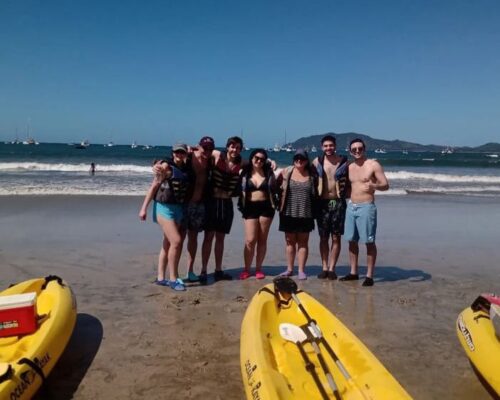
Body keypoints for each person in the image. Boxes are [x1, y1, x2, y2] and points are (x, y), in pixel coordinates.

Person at [139, 143, 194, 291]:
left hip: (179, 209)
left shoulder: (187, 168)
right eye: (176, 152)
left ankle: (161, 277)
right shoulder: (165, 167)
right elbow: (153, 188)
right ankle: (173, 279)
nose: (179, 155)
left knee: (167, 243)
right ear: (172, 153)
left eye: (182, 152)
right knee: (176, 241)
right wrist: (143, 209)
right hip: (163, 208)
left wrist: (192, 148)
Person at [339, 138, 389, 287]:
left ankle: (369, 276)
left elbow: (385, 185)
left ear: (364, 149)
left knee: (369, 241)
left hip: (366, 207)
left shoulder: (373, 165)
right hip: (351, 207)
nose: (357, 151)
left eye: (360, 148)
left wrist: (374, 185)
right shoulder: (349, 167)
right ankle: (354, 272)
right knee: (351, 241)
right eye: (354, 149)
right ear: (350, 151)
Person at [200, 136, 244, 284]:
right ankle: (204, 270)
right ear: (227, 147)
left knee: (221, 238)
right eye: (232, 146)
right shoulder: (217, 156)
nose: (234, 150)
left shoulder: (241, 162)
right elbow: (198, 150)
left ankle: (218, 270)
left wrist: (271, 162)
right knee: (208, 237)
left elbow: (258, 162)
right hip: (212, 202)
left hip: (226, 203)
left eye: (238, 147)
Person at [277, 149, 318, 280]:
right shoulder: (287, 172)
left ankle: (301, 270)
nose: (299, 160)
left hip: (306, 213)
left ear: (306, 161)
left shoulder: (312, 175)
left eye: (302, 158)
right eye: (296, 158)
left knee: (303, 243)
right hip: (288, 212)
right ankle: (289, 269)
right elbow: (274, 185)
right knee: (290, 242)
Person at [312, 135, 349, 280]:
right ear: (322, 147)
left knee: (336, 237)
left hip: (337, 202)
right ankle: (324, 267)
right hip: (322, 203)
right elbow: (300, 168)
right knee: (323, 237)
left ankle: (332, 268)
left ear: (335, 146)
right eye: (326, 146)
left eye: (331, 145)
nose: (328, 148)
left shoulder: (343, 162)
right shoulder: (317, 161)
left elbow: (355, 175)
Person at [238, 149, 278, 280]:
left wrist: (272, 161)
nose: (259, 161)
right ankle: (246, 269)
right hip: (249, 207)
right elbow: (228, 158)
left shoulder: (269, 172)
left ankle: (258, 269)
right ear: (251, 158)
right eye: (256, 158)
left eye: (262, 159)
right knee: (250, 240)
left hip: (266, 207)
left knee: (262, 240)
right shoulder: (244, 171)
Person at [182, 136, 215, 282]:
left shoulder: (211, 161)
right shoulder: (189, 157)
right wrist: (160, 164)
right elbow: (172, 158)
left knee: (201, 236)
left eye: (210, 148)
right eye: (204, 148)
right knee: (185, 238)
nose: (207, 151)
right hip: (186, 203)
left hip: (202, 204)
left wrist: (270, 161)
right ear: (198, 146)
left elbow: (238, 160)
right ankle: (185, 271)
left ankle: (199, 270)